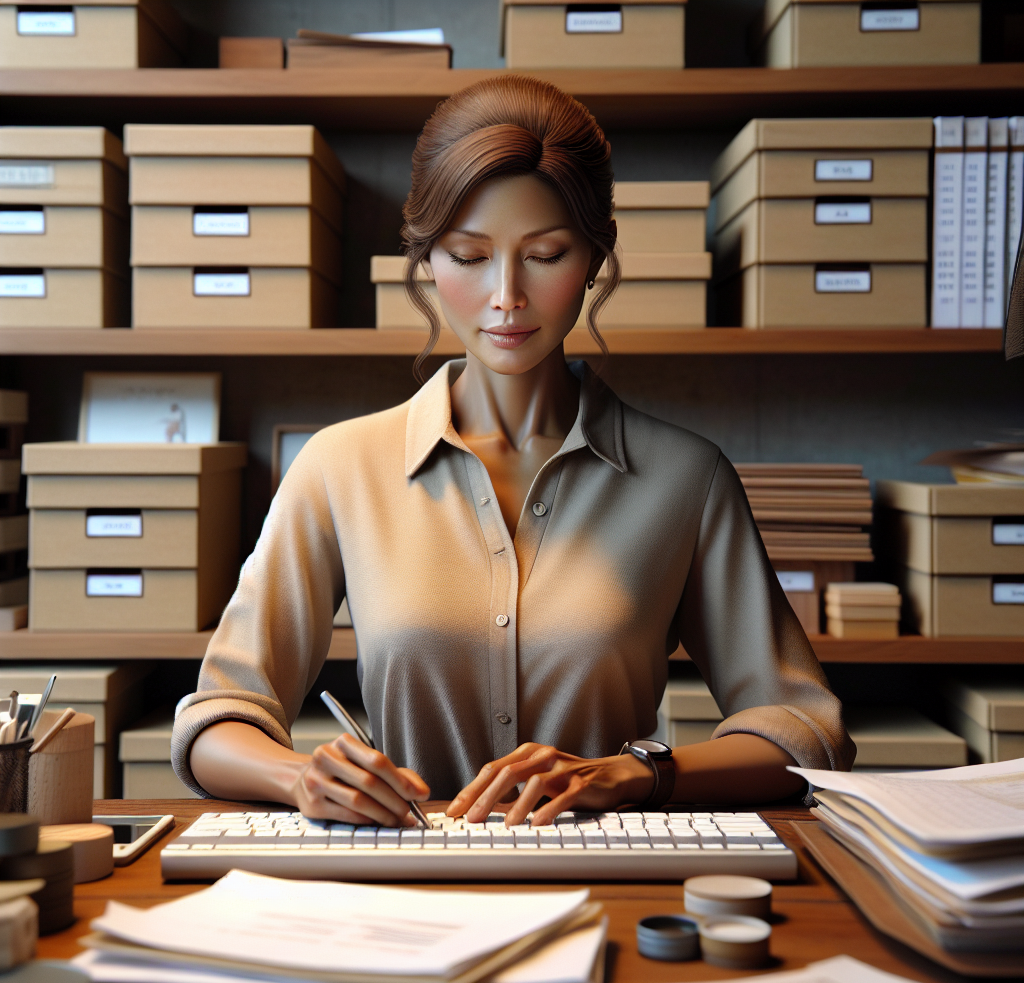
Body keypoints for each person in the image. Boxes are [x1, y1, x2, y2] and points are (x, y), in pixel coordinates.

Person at [173, 75, 855, 828]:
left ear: (595, 258)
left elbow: (804, 733)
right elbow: (215, 721)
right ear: (427, 262)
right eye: (469, 257)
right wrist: (301, 775)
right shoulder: (338, 468)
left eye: (546, 253)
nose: (507, 297)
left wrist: (631, 775)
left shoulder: (687, 481)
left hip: (610, 883)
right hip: (402, 888)